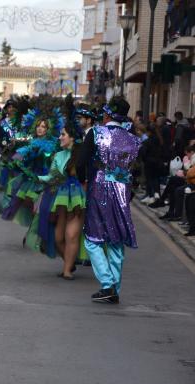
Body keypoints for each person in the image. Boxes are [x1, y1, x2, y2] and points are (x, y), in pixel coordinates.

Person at [77, 97, 141, 304]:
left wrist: (83, 181)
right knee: (116, 239)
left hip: (99, 188)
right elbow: (136, 171)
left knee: (93, 238)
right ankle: (114, 287)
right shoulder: (133, 138)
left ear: (106, 115)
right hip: (122, 190)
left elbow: (81, 162)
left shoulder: (96, 133)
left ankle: (107, 284)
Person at [32, 122, 86, 279]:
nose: (60, 137)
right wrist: (35, 177)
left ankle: (67, 270)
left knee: (71, 235)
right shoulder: (58, 155)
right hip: (62, 198)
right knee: (57, 238)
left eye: (63, 134)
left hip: (78, 199)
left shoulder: (82, 156)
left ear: (73, 138)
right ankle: (69, 263)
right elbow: (52, 176)